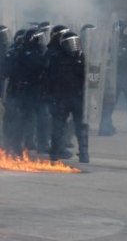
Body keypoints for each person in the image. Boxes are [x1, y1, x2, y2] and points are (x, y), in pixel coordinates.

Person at [48, 31, 89, 163]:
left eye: (75, 42)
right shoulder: (56, 59)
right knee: (58, 126)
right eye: (70, 42)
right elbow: (50, 80)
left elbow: (90, 78)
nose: (74, 45)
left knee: (81, 126)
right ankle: (55, 152)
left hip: (78, 97)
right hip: (62, 98)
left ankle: (84, 153)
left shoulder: (82, 58)